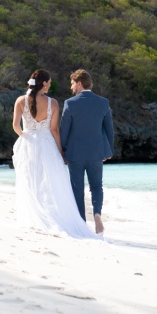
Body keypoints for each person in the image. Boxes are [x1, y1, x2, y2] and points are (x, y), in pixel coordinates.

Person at [11, 70, 98, 239]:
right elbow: (54, 130)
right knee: (51, 183)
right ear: (43, 84)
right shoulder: (53, 103)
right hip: (47, 144)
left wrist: (26, 137)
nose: (50, 85)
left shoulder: (20, 100)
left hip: (28, 143)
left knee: (30, 180)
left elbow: (15, 125)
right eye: (49, 82)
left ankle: (33, 218)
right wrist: (60, 151)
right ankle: (51, 216)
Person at [59, 69, 114, 235]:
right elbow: (109, 130)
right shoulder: (103, 103)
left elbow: (64, 131)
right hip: (96, 153)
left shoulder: (70, 103)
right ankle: (97, 214)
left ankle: (82, 224)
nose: (71, 87)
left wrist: (62, 150)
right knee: (96, 186)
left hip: (75, 154)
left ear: (79, 83)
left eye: (72, 83)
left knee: (77, 188)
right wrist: (108, 150)